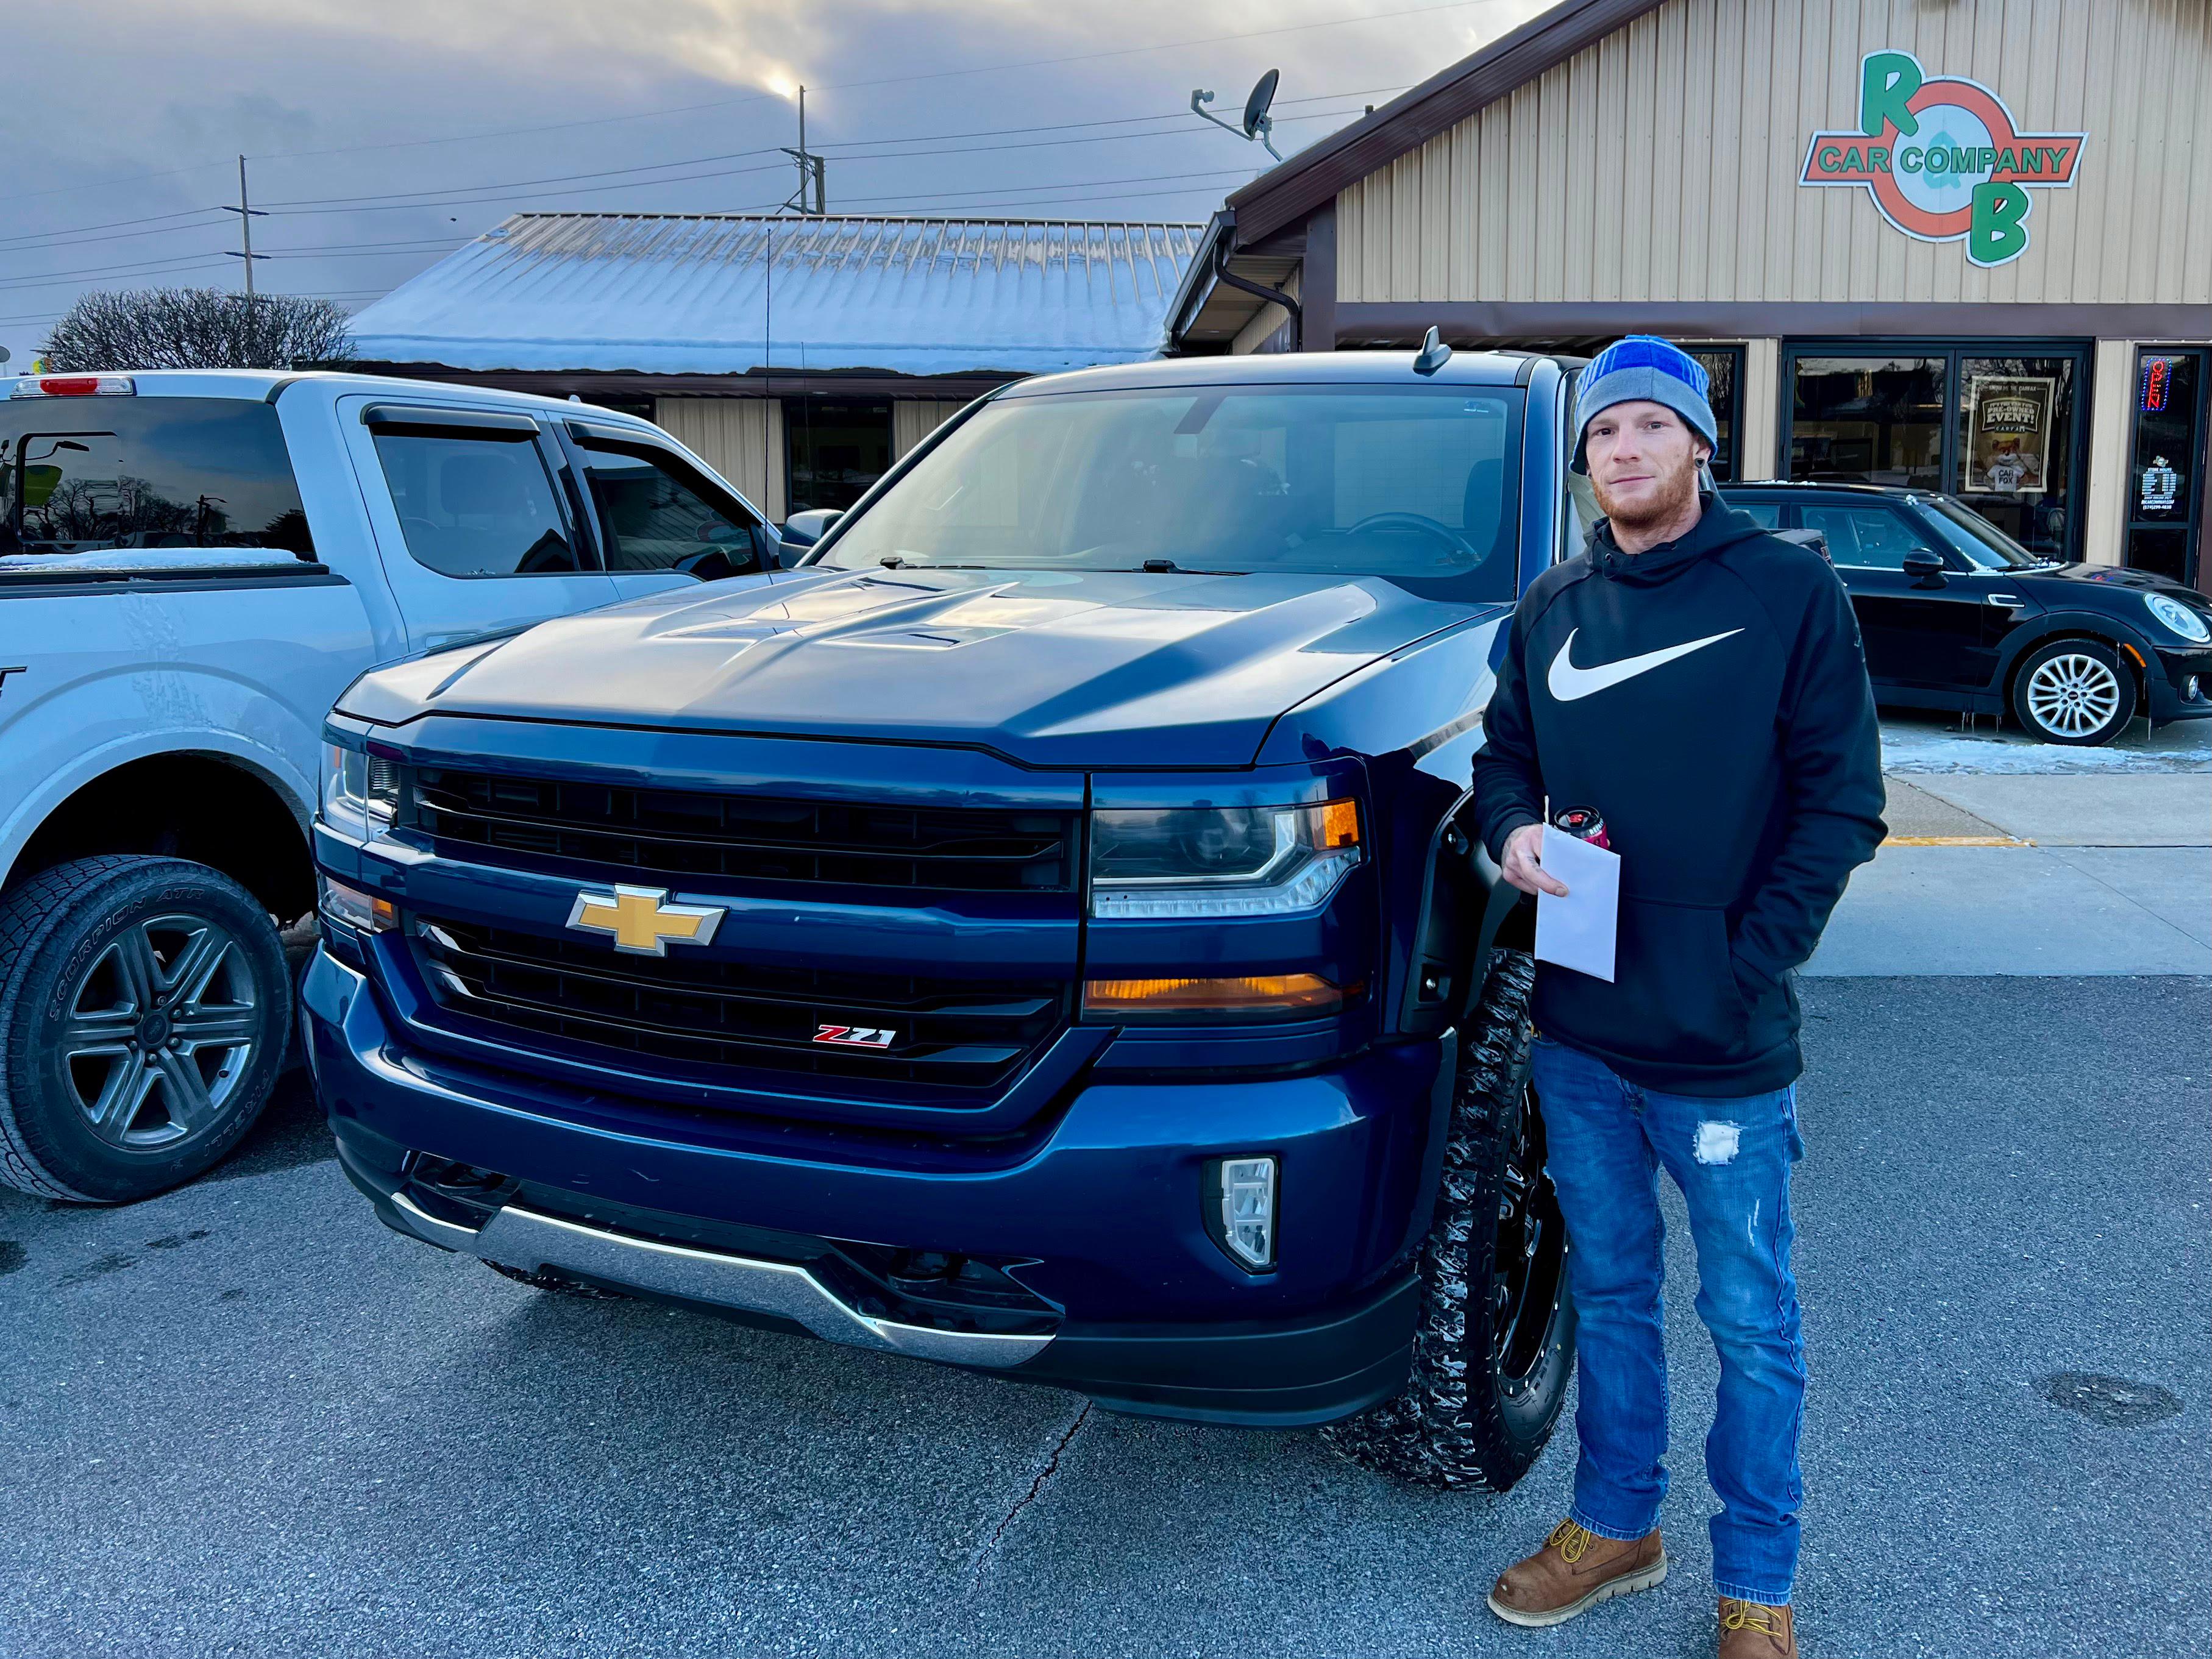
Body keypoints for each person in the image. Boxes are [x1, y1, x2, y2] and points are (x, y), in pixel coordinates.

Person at [1471, 336, 1885, 1659]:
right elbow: (1502, 758)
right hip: (1581, 1034)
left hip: (1719, 1046)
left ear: (1700, 442)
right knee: (1610, 1293)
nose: (1625, 449)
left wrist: (1743, 966)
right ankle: (1616, 1525)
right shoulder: (1552, 605)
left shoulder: (1787, 592)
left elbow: (1844, 804)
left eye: (1652, 424)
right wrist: (1511, 831)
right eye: (1603, 432)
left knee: (1752, 1323)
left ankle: (1757, 1584)